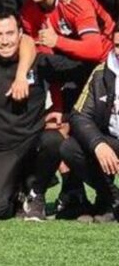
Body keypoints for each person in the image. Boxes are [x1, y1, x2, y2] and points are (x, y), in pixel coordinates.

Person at [0, 10, 81, 221]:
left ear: (21, 34)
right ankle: (17, 191)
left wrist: (65, 114)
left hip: (32, 147)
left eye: (10, 33)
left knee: (55, 140)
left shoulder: (39, 62)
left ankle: (36, 193)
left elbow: (81, 68)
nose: (5, 41)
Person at [62, 29, 119, 223]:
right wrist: (98, 144)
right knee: (70, 147)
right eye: (118, 46)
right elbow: (79, 115)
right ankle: (112, 198)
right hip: (112, 142)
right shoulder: (101, 73)